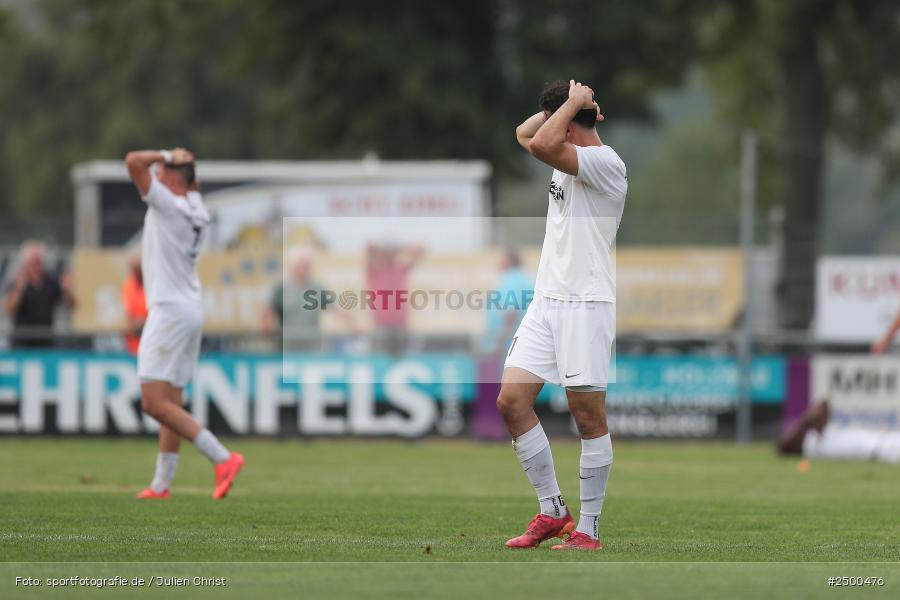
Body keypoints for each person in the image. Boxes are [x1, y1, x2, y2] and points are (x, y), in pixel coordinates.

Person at [499, 80, 627, 550]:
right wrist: (572, 105)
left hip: (586, 303)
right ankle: (552, 510)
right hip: (547, 299)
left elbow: (540, 143)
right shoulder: (562, 146)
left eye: (561, 121)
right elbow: (524, 132)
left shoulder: (606, 163)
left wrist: (575, 107)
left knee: (587, 415)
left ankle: (589, 530)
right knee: (511, 401)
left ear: (569, 127)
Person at [125, 147, 243, 500]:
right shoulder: (196, 207)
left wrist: (164, 153)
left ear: (174, 180)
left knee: (152, 402)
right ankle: (162, 484)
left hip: (167, 310)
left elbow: (132, 162)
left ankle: (222, 457)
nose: (157, 175)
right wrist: (182, 163)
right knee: (171, 402)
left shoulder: (170, 205)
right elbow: (192, 181)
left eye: (163, 172)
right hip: (189, 308)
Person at [3, 241, 76, 348]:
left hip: (46, 340)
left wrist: (67, 289)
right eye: (33, 262)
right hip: (22, 341)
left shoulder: (51, 281)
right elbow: (9, 309)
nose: (37, 266)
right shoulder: (16, 281)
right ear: (26, 262)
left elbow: (72, 305)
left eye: (39, 261)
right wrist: (19, 290)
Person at [779, 400, 900, 464]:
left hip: (886, 441)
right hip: (884, 449)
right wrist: (806, 420)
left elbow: (824, 405)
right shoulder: (813, 445)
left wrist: (810, 419)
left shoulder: (824, 431)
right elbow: (784, 445)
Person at [365, 242, 424, 355]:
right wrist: (385, 250)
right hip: (380, 326)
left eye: (392, 253)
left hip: (401, 326)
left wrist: (400, 248)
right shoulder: (374, 270)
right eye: (387, 253)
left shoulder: (401, 269)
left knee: (403, 357)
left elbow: (420, 250)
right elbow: (369, 247)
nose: (390, 256)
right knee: (378, 357)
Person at [121, 251, 147, 356]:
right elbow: (127, 313)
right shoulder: (129, 285)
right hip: (132, 345)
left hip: (151, 343)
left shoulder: (153, 284)